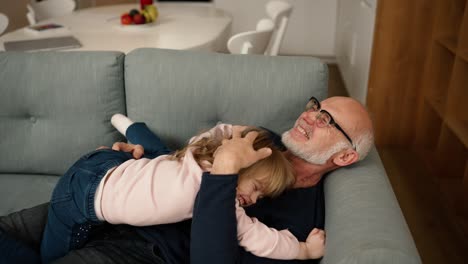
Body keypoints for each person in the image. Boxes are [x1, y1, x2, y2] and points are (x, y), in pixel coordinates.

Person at [0, 96, 373, 264]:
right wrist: (130, 159)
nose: (311, 116)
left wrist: (226, 171)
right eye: (316, 107)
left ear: (344, 156)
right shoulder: (259, 139)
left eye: (327, 120)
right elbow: (191, 160)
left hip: (142, 251)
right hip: (106, 199)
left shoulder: (305, 220)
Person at [39, 116, 326, 263]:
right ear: (240, 165)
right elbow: (262, 239)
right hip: (84, 199)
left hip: (103, 167)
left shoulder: (197, 156)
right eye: (256, 188)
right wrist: (303, 250)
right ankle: (125, 124)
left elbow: (214, 133)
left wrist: (234, 132)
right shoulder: (215, 187)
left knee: (160, 153)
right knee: (49, 256)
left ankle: (124, 121)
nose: (251, 200)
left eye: (259, 198)